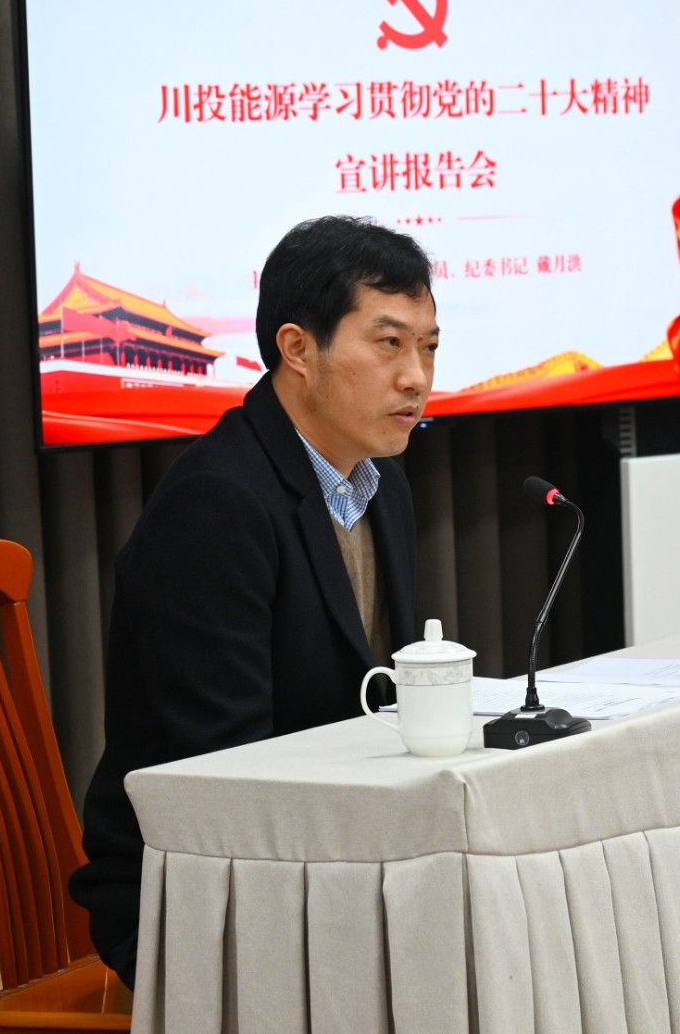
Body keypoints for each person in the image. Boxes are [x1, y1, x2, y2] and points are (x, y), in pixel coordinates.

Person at [69, 216, 439, 988]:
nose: (415, 376)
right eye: (389, 343)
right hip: (199, 889)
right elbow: (226, 769)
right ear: (297, 348)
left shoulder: (383, 485)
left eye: (429, 347)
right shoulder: (217, 503)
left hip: (329, 855)